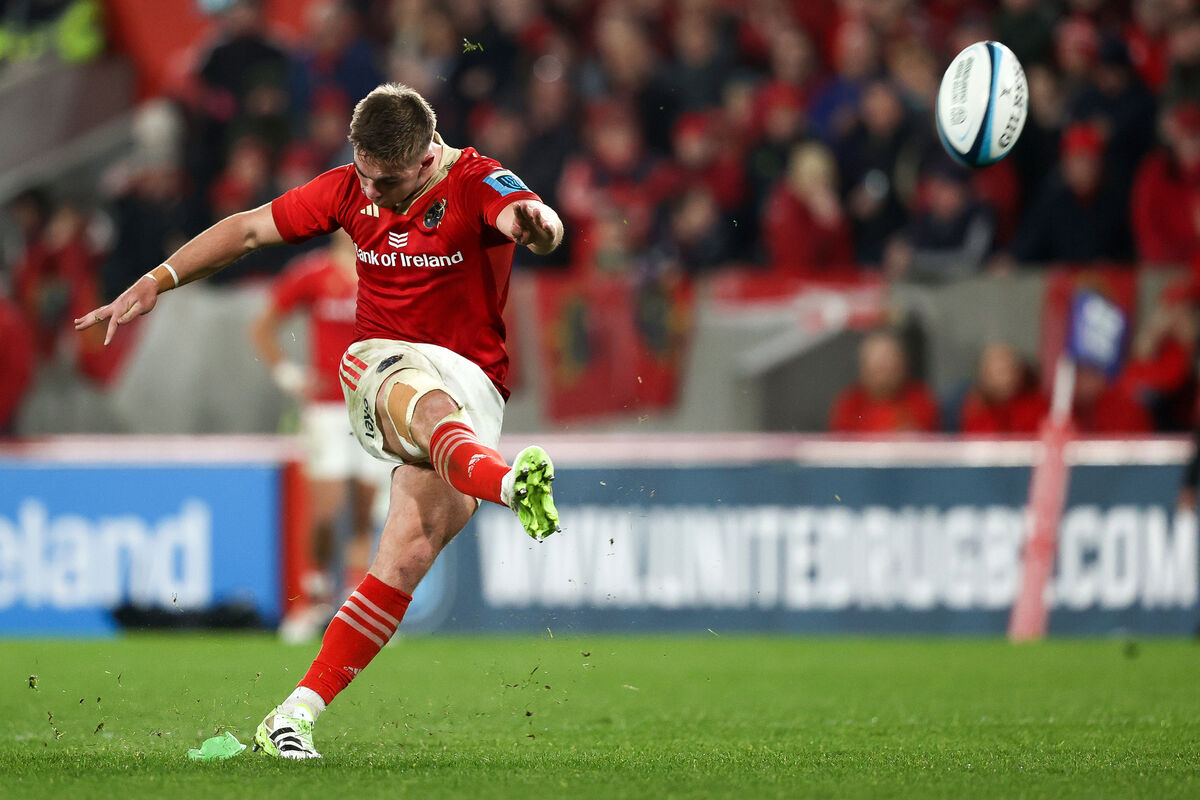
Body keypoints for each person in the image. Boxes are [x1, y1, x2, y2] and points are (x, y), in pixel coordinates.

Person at [74, 83, 563, 760]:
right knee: (411, 398)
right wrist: (159, 277)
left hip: (475, 382)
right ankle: (508, 484)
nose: (371, 193)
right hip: (379, 368)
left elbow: (532, 216)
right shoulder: (346, 189)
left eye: (385, 181)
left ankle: (291, 716)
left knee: (408, 552)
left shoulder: (479, 181)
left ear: (426, 160)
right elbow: (247, 229)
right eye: (363, 173)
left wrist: (539, 228)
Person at [250, 229, 385, 642]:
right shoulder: (314, 273)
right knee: (325, 512)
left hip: (376, 405)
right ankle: (314, 600)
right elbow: (264, 326)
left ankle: (361, 612)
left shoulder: (387, 269)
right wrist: (288, 374)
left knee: (365, 512)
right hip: (327, 406)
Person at [829, 331, 940, 433]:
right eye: (878, 367)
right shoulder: (850, 404)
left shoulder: (920, 399)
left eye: (889, 364)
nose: (884, 372)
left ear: (903, 365)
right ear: (863, 369)